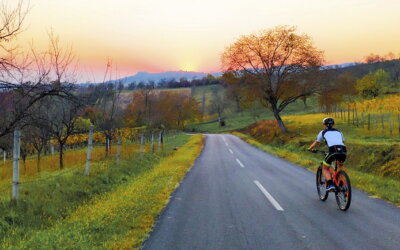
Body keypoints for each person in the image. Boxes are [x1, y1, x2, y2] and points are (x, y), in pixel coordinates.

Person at [308, 117, 347, 192]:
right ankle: (341, 182)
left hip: (332, 151)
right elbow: (342, 142)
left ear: (324, 125)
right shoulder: (339, 132)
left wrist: (310, 148)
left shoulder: (323, 132)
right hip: (343, 150)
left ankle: (330, 184)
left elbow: (316, 142)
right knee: (340, 165)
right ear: (333, 124)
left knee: (325, 168)